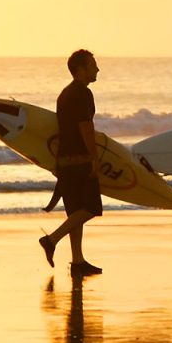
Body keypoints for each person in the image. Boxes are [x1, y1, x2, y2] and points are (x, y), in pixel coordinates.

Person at [38, 50, 103, 276]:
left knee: (76, 211)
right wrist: (94, 158)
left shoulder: (65, 94)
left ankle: (78, 262)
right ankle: (52, 239)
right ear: (81, 69)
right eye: (93, 65)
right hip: (80, 161)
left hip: (65, 161)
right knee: (91, 208)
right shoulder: (82, 94)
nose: (97, 69)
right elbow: (85, 127)